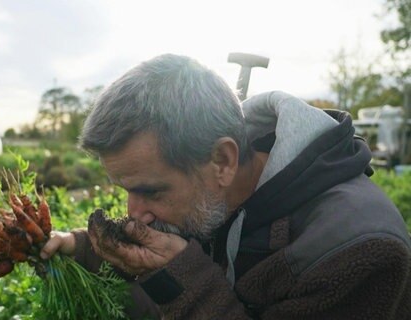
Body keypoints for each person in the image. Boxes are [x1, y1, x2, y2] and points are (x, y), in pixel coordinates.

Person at [41, 54, 411, 319]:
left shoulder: (356, 252)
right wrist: (81, 246)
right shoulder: (210, 197)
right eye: (124, 188)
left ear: (222, 161)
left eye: (151, 191)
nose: (135, 211)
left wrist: (187, 281)